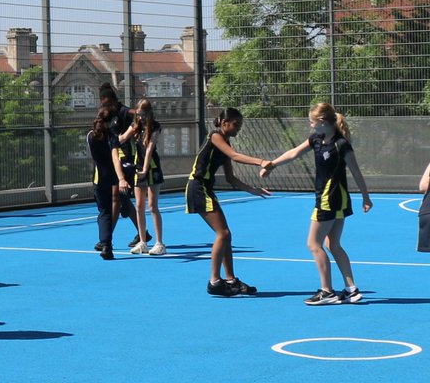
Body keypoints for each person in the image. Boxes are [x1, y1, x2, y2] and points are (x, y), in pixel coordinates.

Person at [262, 102, 372, 305]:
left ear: (322, 121)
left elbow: (356, 171)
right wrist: (272, 165)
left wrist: (366, 197)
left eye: (312, 121)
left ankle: (327, 291)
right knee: (333, 244)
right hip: (335, 200)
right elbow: (293, 153)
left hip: (329, 200)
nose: (310, 125)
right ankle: (352, 290)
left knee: (314, 244)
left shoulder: (341, 144)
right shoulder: (316, 140)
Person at [185, 108, 269, 297]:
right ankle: (214, 281)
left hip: (206, 188)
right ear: (224, 123)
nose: (238, 128)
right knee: (222, 233)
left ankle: (230, 280)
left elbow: (231, 178)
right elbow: (235, 156)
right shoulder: (215, 136)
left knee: (226, 235)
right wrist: (261, 161)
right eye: (235, 124)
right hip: (198, 188)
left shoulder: (225, 142)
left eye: (240, 124)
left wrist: (253, 190)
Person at [100, 82, 146, 249]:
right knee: (120, 199)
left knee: (116, 198)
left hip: (125, 159)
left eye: (105, 102)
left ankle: (106, 238)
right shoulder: (106, 115)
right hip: (113, 160)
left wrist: (140, 116)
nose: (103, 105)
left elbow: (135, 114)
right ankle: (143, 233)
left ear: (111, 100)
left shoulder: (121, 111)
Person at [88, 99, 132, 260]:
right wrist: (121, 178)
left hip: (99, 178)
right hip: (112, 177)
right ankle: (106, 244)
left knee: (105, 212)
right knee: (112, 206)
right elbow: (115, 158)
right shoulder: (111, 137)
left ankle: (106, 243)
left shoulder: (91, 136)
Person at [127, 99, 167, 256]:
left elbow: (149, 148)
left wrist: (144, 169)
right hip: (139, 169)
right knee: (139, 206)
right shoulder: (135, 126)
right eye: (138, 114)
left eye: (143, 114)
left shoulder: (155, 127)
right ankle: (142, 242)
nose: (141, 117)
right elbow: (122, 138)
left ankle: (159, 243)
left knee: (152, 206)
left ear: (149, 113)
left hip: (152, 169)